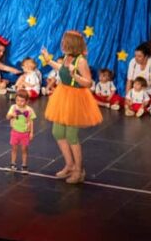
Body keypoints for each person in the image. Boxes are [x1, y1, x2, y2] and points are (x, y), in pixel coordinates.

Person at [41, 30, 103, 185]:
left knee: (71, 136)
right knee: (57, 132)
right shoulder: (67, 57)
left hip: (75, 98)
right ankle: (69, 164)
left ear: (71, 44)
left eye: (65, 41)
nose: (62, 43)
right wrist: (49, 60)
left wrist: (75, 75)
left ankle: (78, 170)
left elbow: (88, 83)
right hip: (63, 95)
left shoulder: (80, 61)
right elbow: (61, 69)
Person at [7, 90, 36, 173]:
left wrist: (31, 132)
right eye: (17, 100)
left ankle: (24, 165)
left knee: (24, 149)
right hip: (15, 132)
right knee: (14, 148)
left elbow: (31, 121)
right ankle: (13, 163)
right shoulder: (13, 107)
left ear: (27, 101)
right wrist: (11, 115)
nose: (19, 103)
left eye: (22, 101)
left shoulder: (29, 110)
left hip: (25, 133)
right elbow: (7, 117)